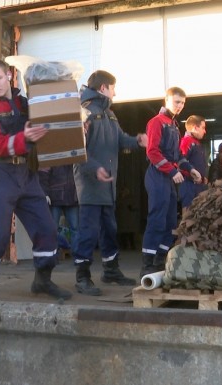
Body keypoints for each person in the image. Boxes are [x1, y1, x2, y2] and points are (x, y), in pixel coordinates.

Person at [0, 58, 71, 302]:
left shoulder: (24, 103)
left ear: (8, 75)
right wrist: (23, 137)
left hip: (26, 174)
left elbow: (46, 125)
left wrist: (73, 127)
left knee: (46, 228)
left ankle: (42, 280)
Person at [72, 70, 148, 296]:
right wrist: (96, 169)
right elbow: (77, 152)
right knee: (88, 231)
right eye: (114, 87)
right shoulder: (83, 112)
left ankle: (111, 271)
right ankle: (82, 277)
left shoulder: (110, 115)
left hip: (107, 185)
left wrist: (137, 141)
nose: (116, 92)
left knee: (109, 230)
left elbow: (120, 140)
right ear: (104, 87)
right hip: (90, 184)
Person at [141, 87, 201, 278]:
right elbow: (152, 152)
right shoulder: (156, 122)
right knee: (157, 220)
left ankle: (160, 260)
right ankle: (147, 265)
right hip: (157, 176)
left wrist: (189, 169)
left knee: (169, 222)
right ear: (166, 100)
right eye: (177, 102)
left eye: (183, 103)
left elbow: (178, 155)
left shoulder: (174, 126)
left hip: (169, 178)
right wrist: (172, 170)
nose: (180, 106)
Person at [38, 164, 79, 253]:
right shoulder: (53, 153)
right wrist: (45, 193)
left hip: (69, 196)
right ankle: (53, 254)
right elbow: (43, 175)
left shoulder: (75, 154)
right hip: (56, 197)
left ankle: (77, 255)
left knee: (74, 229)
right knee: (54, 229)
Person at [178, 115, 209, 216]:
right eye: (203, 128)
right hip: (189, 185)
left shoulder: (196, 143)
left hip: (198, 185)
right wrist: (192, 176)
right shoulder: (187, 142)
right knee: (188, 215)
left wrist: (203, 178)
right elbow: (179, 163)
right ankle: (184, 232)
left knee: (196, 215)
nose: (205, 131)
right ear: (195, 128)